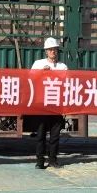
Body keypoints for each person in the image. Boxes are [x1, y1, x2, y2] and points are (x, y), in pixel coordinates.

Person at [30, 37, 68, 169]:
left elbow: (65, 82)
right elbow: (30, 79)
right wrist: (41, 73)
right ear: (46, 51)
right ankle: (40, 160)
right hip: (41, 104)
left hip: (56, 104)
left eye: (55, 49)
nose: (53, 52)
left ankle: (53, 159)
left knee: (55, 135)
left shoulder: (62, 66)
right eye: (50, 49)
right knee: (40, 134)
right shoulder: (38, 64)